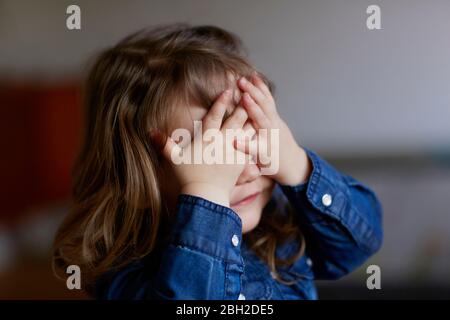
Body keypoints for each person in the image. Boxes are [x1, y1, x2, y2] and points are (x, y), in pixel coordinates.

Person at [52, 24, 383, 300]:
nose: (248, 171)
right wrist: (206, 194)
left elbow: (360, 244)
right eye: (211, 155)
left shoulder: (280, 229)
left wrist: (296, 163)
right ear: (137, 180)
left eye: (252, 136)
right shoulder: (127, 273)